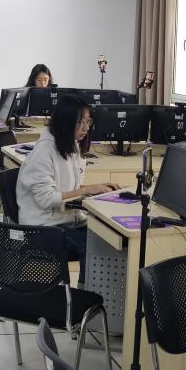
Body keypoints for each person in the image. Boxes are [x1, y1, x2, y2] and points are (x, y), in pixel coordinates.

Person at [16, 94, 120, 286]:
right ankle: (85, 296)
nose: (86, 128)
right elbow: (47, 199)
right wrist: (87, 190)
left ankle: (99, 294)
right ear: (66, 122)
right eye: (80, 122)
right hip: (42, 228)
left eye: (88, 122)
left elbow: (72, 189)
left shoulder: (71, 145)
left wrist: (98, 189)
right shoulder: (44, 152)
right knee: (92, 247)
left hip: (67, 220)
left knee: (108, 238)